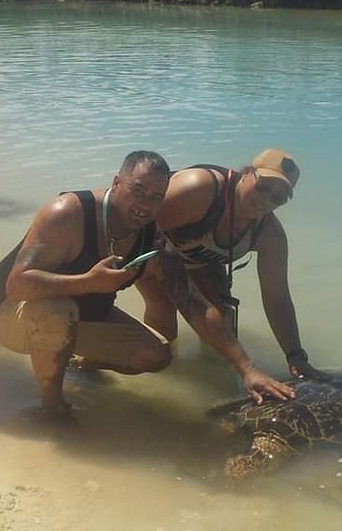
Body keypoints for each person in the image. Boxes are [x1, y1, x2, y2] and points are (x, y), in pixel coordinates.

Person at [0, 151, 295, 417]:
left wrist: (248, 369)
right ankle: (53, 408)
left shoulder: (152, 237)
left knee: (156, 355)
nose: (145, 205)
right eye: (138, 191)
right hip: (10, 313)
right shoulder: (68, 212)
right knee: (57, 312)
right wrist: (88, 282)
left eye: (156, 197)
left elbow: (195, 304)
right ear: (116, 183)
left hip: (77, 318)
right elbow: (17, 285)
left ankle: (75, 363)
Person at [136, 149, 326, 382]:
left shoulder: (270, 236)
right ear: (246, 173)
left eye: (278, 197)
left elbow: (277, 299)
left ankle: (207, 378)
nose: (266, 200)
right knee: (165, 323)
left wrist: (295, 355)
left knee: (221, 336)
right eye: (264, 186)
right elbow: (137, 231)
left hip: (200, 260)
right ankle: (154, 378)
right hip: (149, 246)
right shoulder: (198, 189)